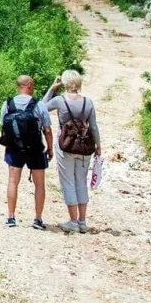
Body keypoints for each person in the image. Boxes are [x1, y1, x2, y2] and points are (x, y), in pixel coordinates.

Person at [44, 68, 102, 233]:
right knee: (80, 182)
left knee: (68, 182)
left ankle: (73, 221)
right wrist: (98, 146)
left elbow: (42, 106)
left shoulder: (60, 101)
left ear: (65, 83)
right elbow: (94, 127)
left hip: (66, 146)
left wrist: (52, 88)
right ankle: (83, 221)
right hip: (84, 148)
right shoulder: (88, 102)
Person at [0, 74, 53, 230]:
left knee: (13, 182)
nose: (34, 87)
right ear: (28, 85)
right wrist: (49, 148)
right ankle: (37, 219)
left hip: (14, 148)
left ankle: (11, 217)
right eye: (33, 84)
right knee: (39, 185)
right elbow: (47, 130)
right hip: (35, 148)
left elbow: (3, 126)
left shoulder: (7, 104)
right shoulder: (39, 105)